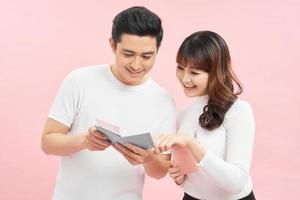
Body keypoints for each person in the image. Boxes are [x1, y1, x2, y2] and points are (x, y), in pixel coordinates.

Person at [41, 6, 176, 200]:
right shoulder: (79, 80)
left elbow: (160, 171)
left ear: (157, 51)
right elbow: (48, 143)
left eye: (147, 56)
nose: (137, 65)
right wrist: (84, 141)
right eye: (128, 54)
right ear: (113, 45)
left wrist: (147, 158)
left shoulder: (164, 101)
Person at [154, 31, 256, 200]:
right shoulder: (184, 114)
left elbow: (236, 182)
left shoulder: (239, 111)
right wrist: (181, 177)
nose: (185, 78)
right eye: (180, 68)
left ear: (216, 71)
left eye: (194, 73)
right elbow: (194, 176)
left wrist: (191, 144)